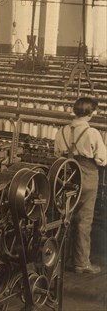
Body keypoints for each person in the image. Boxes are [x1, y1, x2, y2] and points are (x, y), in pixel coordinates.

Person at [54, 97, 107, 274]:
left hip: (66, 178)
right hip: (87, 178)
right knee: (84, 221)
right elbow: (102, 159)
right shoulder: (92, 133)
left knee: (65, 217)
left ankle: (59, 258)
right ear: (91, 113)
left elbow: (57, 154)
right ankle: (81, 263)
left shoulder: (62, 130)